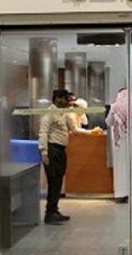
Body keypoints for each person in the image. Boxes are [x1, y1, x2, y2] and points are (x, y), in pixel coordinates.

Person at [38, 89, 98, 224]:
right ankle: (49, 214)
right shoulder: (49, 113)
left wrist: (91, 132)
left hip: (60, 150)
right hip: (52, 149)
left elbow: (74, 129)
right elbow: (43, 132)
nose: (68, 102)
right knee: (53, 181)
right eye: (66, 99)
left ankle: (54, 210)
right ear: (58, 99)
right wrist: (44, 152)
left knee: (58, 181)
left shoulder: (64, 113)